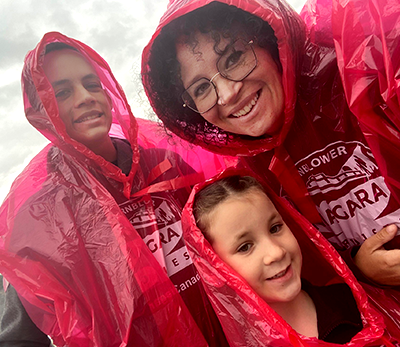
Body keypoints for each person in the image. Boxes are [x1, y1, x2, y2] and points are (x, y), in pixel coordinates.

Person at [142, 0, 400, 286]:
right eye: (202, 88)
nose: (226, 94)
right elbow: (306, 264)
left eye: (233, 58)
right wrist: (359, 264)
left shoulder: (357, 75)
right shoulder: (252, 175)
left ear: (272, 42)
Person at [0, 32, 230, 346]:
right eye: (62, 92)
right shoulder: (43, 220)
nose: (84, 97)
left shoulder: (167, 164)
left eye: (92, 84)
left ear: (109, 93)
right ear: (41, 111)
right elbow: (19, 338)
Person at [180, 171, 399, 346]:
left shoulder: (352, 302)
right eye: (245, 247)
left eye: (275, 228)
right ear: (214, 267)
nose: (276, 252)